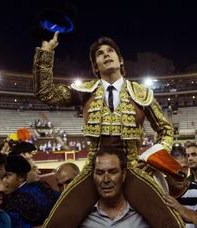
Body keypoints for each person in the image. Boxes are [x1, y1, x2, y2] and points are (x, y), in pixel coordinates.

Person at [34, 33, 184, 227]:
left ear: (120, 60)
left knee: (170, 223)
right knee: (56, 223)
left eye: (110, 51)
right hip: (93, 169)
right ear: (95, 66)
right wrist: (46, 51)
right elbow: (45, 93)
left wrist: (153, 159)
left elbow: (165, 130)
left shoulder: (141, 93)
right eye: (99, 54)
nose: (106, 55)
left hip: (131, 168)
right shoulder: (84, 91)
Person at [80, 148, 149, 228]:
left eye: (113, 172)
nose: (106, 180)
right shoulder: (81, 217)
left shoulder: (144, 215)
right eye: (100, 173)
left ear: (123, 175)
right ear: (93, 176)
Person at [2, 155, 60, 227]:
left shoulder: (11, 203)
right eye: (0, 177)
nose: (2, 181)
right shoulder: (41, 185)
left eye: (7, 176)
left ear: (21, 177)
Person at [166, 144, 197, 228]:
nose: (181, 173)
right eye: (175, 167)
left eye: (184, 168)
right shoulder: (157, 191)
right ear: (165, 168)